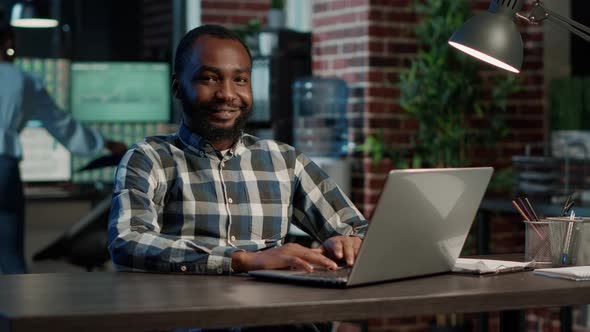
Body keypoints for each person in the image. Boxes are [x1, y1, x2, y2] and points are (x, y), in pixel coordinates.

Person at [107, 24, 367, 277]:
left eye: (240, 80)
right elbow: (128, 241)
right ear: (177, 86)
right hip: (190, 317)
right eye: (210, 78)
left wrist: (349, 243)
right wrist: (243, 260)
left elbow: (358, 230)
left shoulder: (285, 161)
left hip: (276, 316)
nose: (227, 94)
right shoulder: (149, 157)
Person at [0, 19, 127, 274]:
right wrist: (104, 143)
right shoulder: (22, 80)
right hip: (4, 167)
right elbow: (61, 124)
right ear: (8, 43)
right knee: (10, 254)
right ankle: (18, 313)